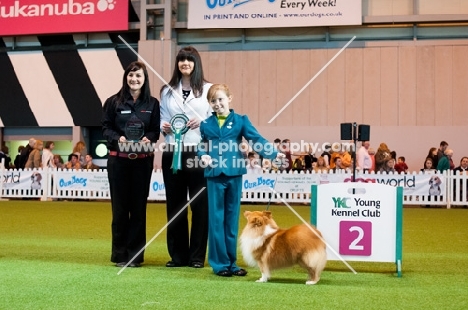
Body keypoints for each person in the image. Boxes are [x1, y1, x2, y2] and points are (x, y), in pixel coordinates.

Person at [198, 83, 283, 277]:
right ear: (209, 104)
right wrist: (202, 154)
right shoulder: (206, 125)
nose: (217, 103)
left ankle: (232, 263)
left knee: (231, 219)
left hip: (235, 174)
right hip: (213, 175)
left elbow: (256, 140)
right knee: (216, 220)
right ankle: (219, 264)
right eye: (213, 101)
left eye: (220, 99)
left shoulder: (241, 121)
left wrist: (273, 154)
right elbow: (202, 145)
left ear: (229, 98)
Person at [102, 61, 160, 268]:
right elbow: (106, 128)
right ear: (126, 77)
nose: (134, 79)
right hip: (118, 161)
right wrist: (119, 139)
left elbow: (155, 130)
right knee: (119, 210)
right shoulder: (112, 102)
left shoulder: (152, 104)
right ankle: (120, 255)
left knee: (138, 209)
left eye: (139, 76)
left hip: (142, 163)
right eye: (131, 75)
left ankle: (135, 256)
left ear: (144, 80)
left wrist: (149, 138)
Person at [160, 46, 211, 269]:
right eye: (181, 60)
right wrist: (164, 127)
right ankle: (178, 256)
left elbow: (216, 117)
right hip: (173, 153)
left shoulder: (209, 89)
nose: (185, 63)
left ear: (196, 63)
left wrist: (203, 124)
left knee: (200, 206)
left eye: (189, 60)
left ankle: (197, 256)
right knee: (175, 205)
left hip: (199, 153)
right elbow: (161, 118)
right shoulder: (167, 90)